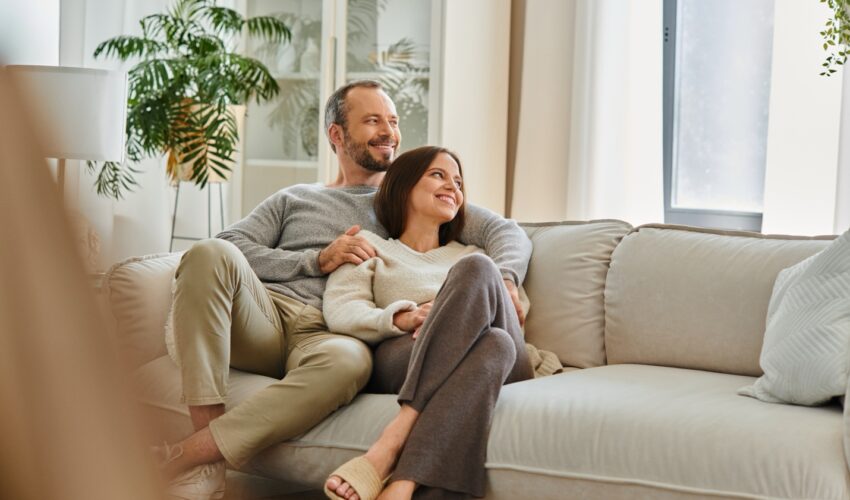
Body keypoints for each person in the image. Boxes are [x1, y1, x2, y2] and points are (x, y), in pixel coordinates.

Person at [157, 80, 534, 499]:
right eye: (372, 121)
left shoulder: (409, 194)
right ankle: (205, 452)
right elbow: (230, 243)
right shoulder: (295, 198)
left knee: (352, 363)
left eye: (392, 121)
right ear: (337, 134)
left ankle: (193, 455)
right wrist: (315, 260)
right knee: (209, 253)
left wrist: (506, 279)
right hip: (266, 314)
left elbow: (506, 232)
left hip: (329, 334)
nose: (388, 132)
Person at [321, 146, 559, 500]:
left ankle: (389, 444)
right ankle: (405, 486)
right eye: (438, 175)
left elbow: (511, 313)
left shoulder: (475, 257)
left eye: (459, 182)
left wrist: (451, 312)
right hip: (406, 355)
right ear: (403, 185)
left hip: (511, 366)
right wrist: (404, 316)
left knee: (481, 282)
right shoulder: (368, 246)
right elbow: (341, 311)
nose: (453, 187)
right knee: (494, 344)